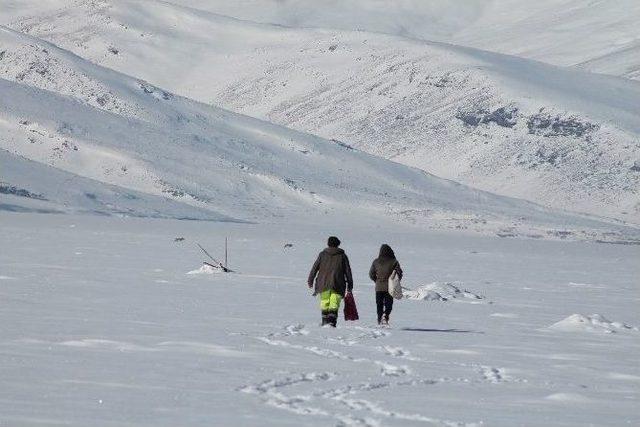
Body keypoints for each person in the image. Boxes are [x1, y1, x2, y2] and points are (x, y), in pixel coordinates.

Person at [307, 236, 354, 327]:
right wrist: (350, 285)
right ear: (338, 244)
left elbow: (315, 268)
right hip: (338, 283)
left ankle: (325, 321)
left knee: (325, 302)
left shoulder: (322, 254)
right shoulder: (342, 256)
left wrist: (310, 280)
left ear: (328, 244)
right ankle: (332, 322)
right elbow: (348, 271)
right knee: (334, 303)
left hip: (323, 283)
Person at [369, 244, 403, 325]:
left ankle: (379, 319)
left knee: (379, 304)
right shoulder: (394, 261)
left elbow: (371, 274)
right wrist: (396, 282)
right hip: (390, 287)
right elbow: (399, 273)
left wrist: (376, 281)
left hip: (379, 287)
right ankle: (386, 315)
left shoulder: (376, 261)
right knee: (389, 303)